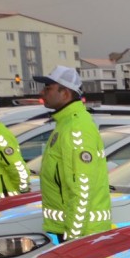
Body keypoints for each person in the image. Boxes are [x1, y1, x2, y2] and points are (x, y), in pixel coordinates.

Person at [32, 65, 109, 241]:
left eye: (48, 88)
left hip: (82, 234)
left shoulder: (76, 128)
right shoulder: (65, 124)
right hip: (70, 229)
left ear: (65, 93)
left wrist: (74, 237)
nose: (42, 93)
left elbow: (81, 187)